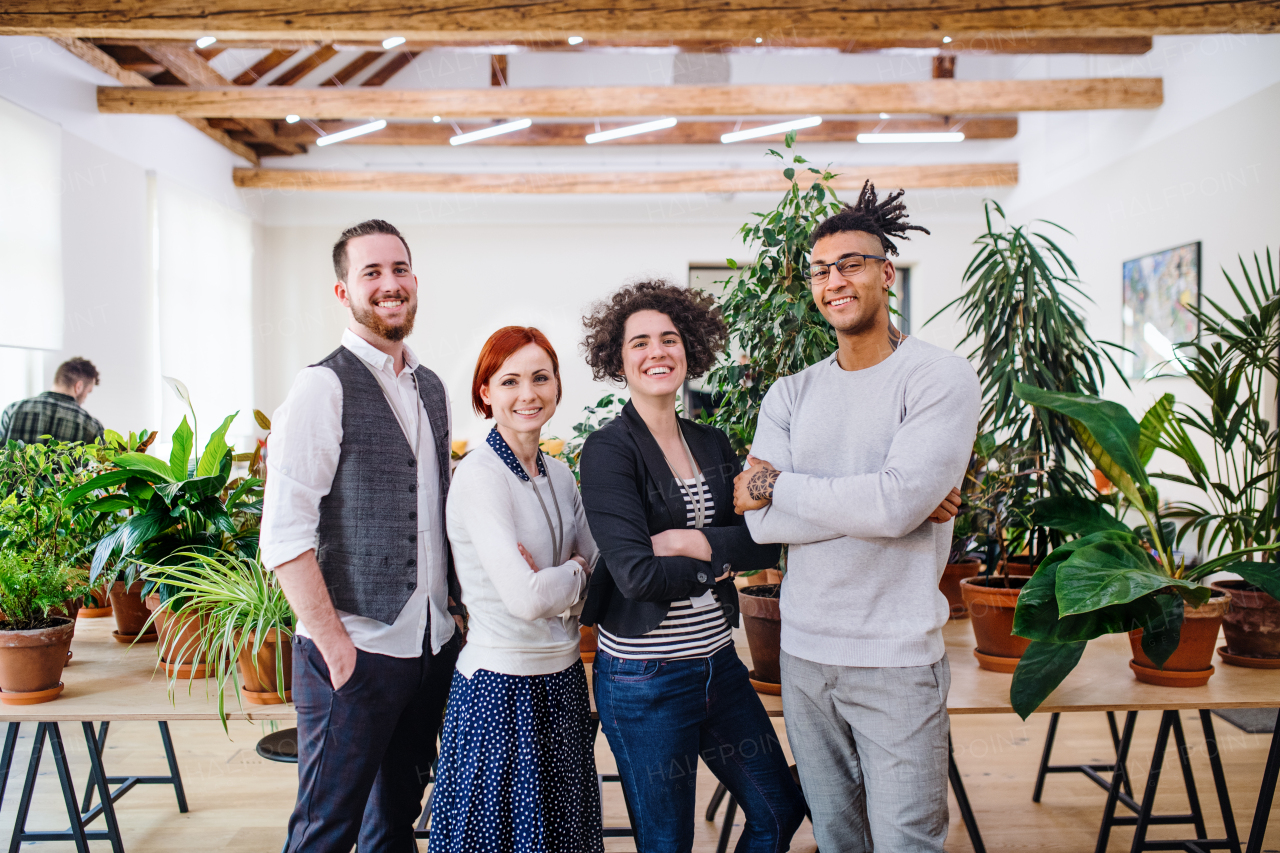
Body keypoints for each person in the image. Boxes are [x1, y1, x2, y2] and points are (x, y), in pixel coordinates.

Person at [733, 181, 979, 853]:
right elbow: (757, 521)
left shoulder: (938, 377)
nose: (834, 280)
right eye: (820, 269)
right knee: (839, 839)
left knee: (907, 842)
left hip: (895, 659)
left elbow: (894, 505)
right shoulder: (792, 392)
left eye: (851, 263)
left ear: (885, 272)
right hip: (806, 655)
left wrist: (785, 484)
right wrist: (883, 500)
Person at [577, 281, 806, 853]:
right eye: (640, 343)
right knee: (667, 843)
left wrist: (691, 543)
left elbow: (761, 543)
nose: (657, 352)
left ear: (690, 350)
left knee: (779, 810)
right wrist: (719, 562)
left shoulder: (712, 441)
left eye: (670, 339)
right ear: (618, 358)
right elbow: (636, 575)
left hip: (719, 666)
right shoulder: (609, 450)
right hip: (645, 678)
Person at [260, 219, 465, 852]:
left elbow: (437, 509)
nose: (389, 284)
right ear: (343, 291)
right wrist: (335, 647)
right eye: (370, 273)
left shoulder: (430, 386)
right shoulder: (321, 387)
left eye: (399, 269)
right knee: (326, 829)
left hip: (429, 648)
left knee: (394, 824)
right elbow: (284, 535)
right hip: (355, 650)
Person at [429, 326, 602, 853]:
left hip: (565, 679)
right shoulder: (480, 476)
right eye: (510, 381)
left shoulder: (559, 473)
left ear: (556, 386)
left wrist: (565, 574)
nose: (528, 393)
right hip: (501, 689)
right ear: (486, 392)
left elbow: (598, 559)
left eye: (540, 378)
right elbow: (527, 599)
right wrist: (573, 573)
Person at [0, 357, 103, 445]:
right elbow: (110, 464)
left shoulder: (13, 410)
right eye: (88, 392)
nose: (85, 398)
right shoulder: (89, 424)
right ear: (79, 386)